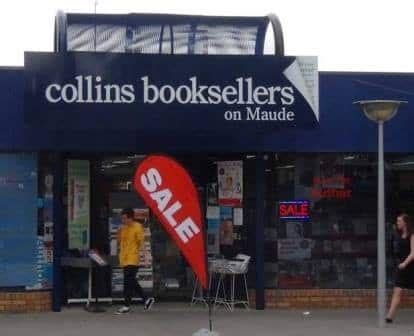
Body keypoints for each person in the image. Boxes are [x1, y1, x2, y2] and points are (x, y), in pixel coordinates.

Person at [116, 208, 155, 314]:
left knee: (128, 282)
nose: (123, 220)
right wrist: (119, 231)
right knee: (130, 282)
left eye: (125, 218)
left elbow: (142, 243)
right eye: (122, 218)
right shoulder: (123, 228)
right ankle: (146, 300)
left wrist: (146, 257)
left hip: (133, 258)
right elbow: (119, 241)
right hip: (124, 258)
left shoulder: (138, 227)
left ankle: (126, 306)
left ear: (130, 218)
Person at [386, 213, 414, 323]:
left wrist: (404, 264)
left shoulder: (412, 235)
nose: (397, 223)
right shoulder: (399, 234)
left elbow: (413, 253)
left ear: (405, 223)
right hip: (402, 268)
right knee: (397, 290)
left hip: (410, 266)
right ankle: (389, 316)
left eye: (399, 221)